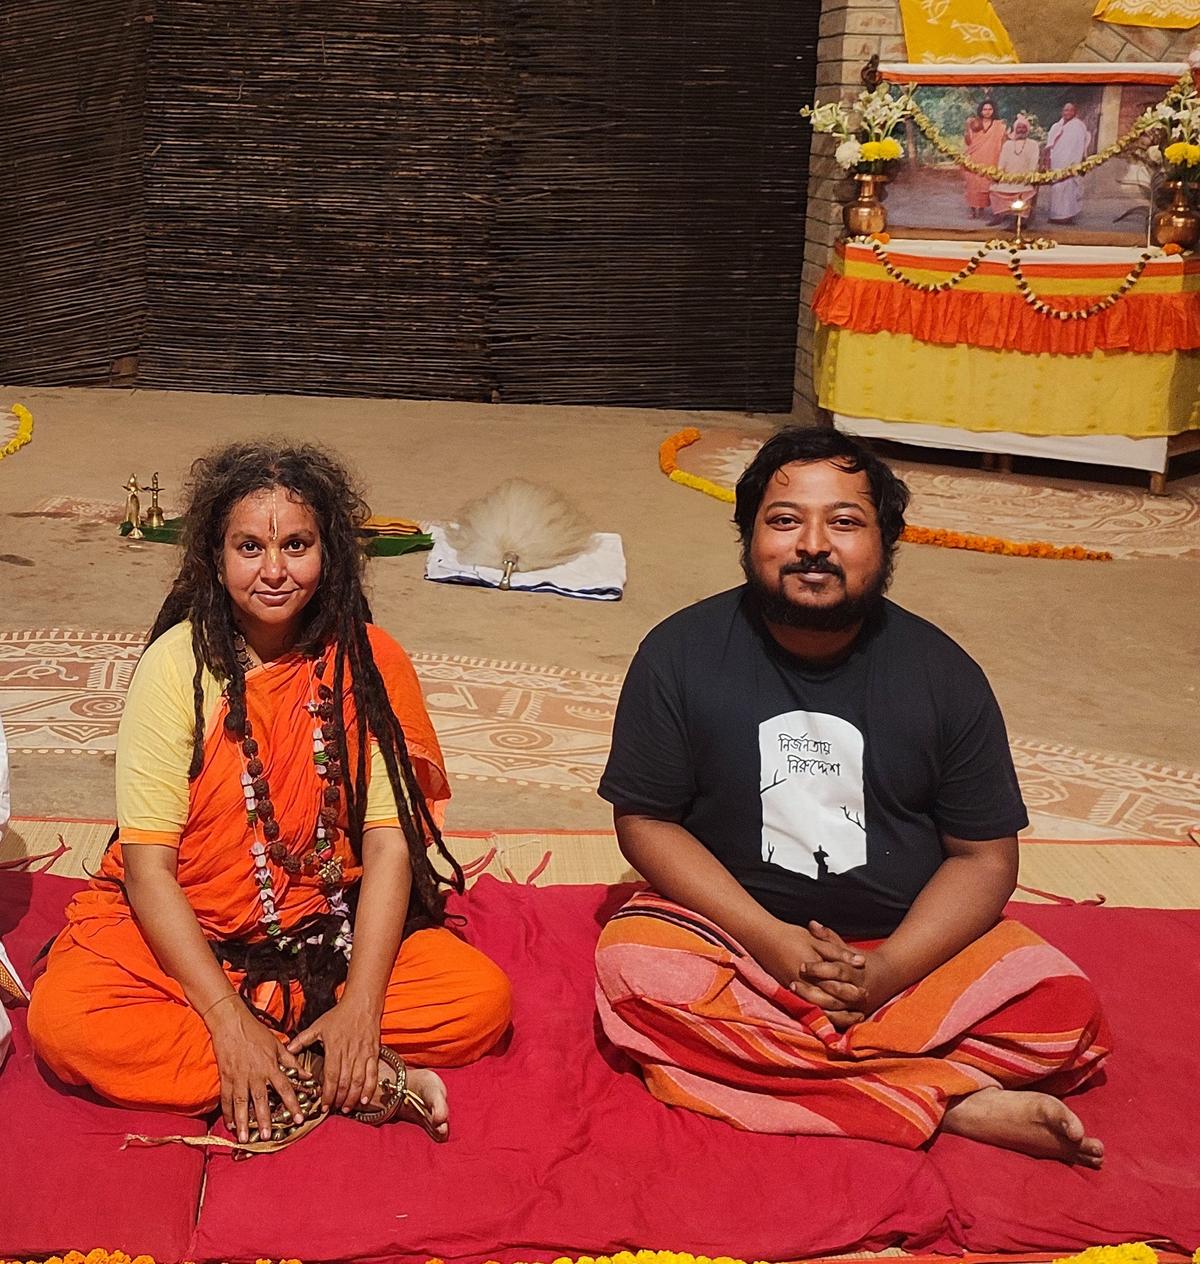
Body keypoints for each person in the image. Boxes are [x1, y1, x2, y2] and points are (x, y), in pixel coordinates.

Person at [595, 426, 1110, 1166]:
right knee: (634, 967)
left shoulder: (944, 673)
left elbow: (984, 860)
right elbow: (646, 821)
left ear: (886, 544)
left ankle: (813, 1076)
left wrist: (889, 972)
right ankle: (948, 1099)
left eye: (844, 521)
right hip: (740, 943)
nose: (813, 544)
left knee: (1064, 1003)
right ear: (748, 538)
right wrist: (774, 942)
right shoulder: (677, 655)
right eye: (784, 520)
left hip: (907, 953)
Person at [28, 442, 511, 1148]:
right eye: (250, 546)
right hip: (189, 943)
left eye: (297, 544)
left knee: (478, 1002)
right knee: (66, 1021)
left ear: (331, 552)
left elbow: (386, 844)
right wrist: (227, 1018)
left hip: (324, 943)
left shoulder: (373, 663)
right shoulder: (175, 671)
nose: (275, 569)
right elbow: (148, 869)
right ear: (214, 557)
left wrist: (363, 1009)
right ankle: (337, 1073)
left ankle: (304, 1054)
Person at [1043, 102, 1091, 223]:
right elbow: (1050, 145)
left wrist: (1078, 161)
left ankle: (1068, 217)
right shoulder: (1056, 126)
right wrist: (1047, 160)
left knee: (1069, 189)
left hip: (1071, 163)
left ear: (1075, 112)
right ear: (1062, 112)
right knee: (1057, 188)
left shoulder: (1079, 126)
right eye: (1065, 110)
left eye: (1070, 110)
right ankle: (1054, 216)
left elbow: (1082, 143)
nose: (1067, 113)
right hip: (1057, 163)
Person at [988, 116, 1040, 224]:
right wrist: (999, 175)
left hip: (1024, 180)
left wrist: (1028, 177)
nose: (1021, 130)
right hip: (1008, 179)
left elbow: (1033, 163)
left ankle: (1020, 218)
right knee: (994, 189)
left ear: (1027, 130)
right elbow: (1002, 163)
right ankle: (999, 215)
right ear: (1015, 129)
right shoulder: (1008, 144)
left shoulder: (1033, 145)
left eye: (1023, 128)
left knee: (1026, 191)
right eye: (1018, 127)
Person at [963, 100, 1006, 219]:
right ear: (981, 111)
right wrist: (967, 127)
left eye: (990, 109)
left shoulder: (999, 125)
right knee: (972, 184)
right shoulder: (975, 123)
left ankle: (981, 209)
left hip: (991, 159)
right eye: (985, 109)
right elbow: (968, 142)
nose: (987, 112)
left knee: (985, 185)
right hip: (975, 158)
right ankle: (972, 211)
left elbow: (1004, 141)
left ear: (994, 111)